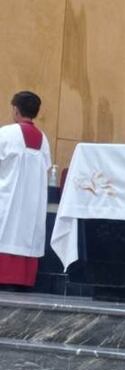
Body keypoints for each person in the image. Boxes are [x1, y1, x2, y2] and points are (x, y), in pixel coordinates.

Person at [0, 91, 50, 288]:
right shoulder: (43, 139)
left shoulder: (6, 133)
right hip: (31, 204)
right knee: (26, 233)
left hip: (8, 198)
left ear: (15, 109)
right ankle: (23, 279)